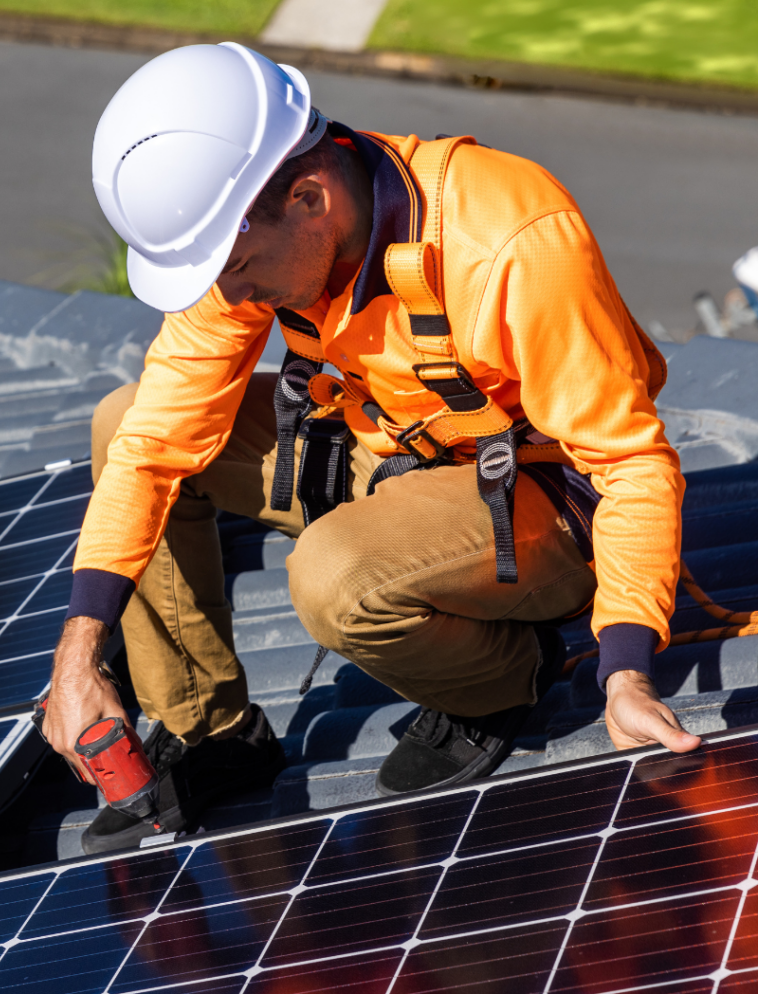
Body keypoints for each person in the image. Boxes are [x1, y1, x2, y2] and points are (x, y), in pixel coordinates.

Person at [41, 43, 701, 854]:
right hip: (393, 456)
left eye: (238, 268)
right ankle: (212, 730)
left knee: (333, 577)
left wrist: (625, 668)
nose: (233, 297)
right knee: (122, 418)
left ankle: (498, 679)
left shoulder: (510, 239)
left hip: (542, 504)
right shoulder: (261, 240)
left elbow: (630, 465)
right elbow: (149, 444)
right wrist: (78, 656)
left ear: (310, 197)